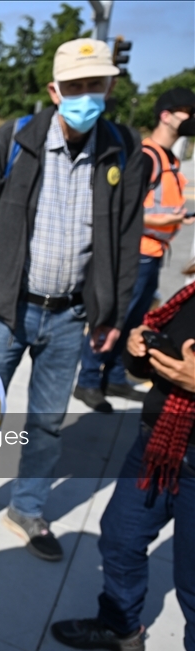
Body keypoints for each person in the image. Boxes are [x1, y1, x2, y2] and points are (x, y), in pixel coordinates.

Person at [0, 38, 146, 562]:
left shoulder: (122, 149)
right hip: (7, 312)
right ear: (55, 91)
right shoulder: (16, 139)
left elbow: (125, 241)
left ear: (109, 87)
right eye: (74, 87)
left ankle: (26, 509)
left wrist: (112, 316)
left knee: (47, 422)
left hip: (70, 315)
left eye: (94, 86)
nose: (85, 96)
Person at [51, 271, 194, 651]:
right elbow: (146, 364)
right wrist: (137, 347)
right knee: (120, 536)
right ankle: (120, 624)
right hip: (157, 445)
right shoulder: (189, 293)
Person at [74, 87, 195, 412]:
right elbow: (126, 212)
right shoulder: (147, 155)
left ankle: (114, 376)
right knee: (114, 316)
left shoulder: (169, 158)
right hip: (137, 253)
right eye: (185, 111)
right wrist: (165, 218)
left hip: (155, 253)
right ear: (165, 115)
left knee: (134, 322)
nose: (190, 118)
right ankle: (87, 380)